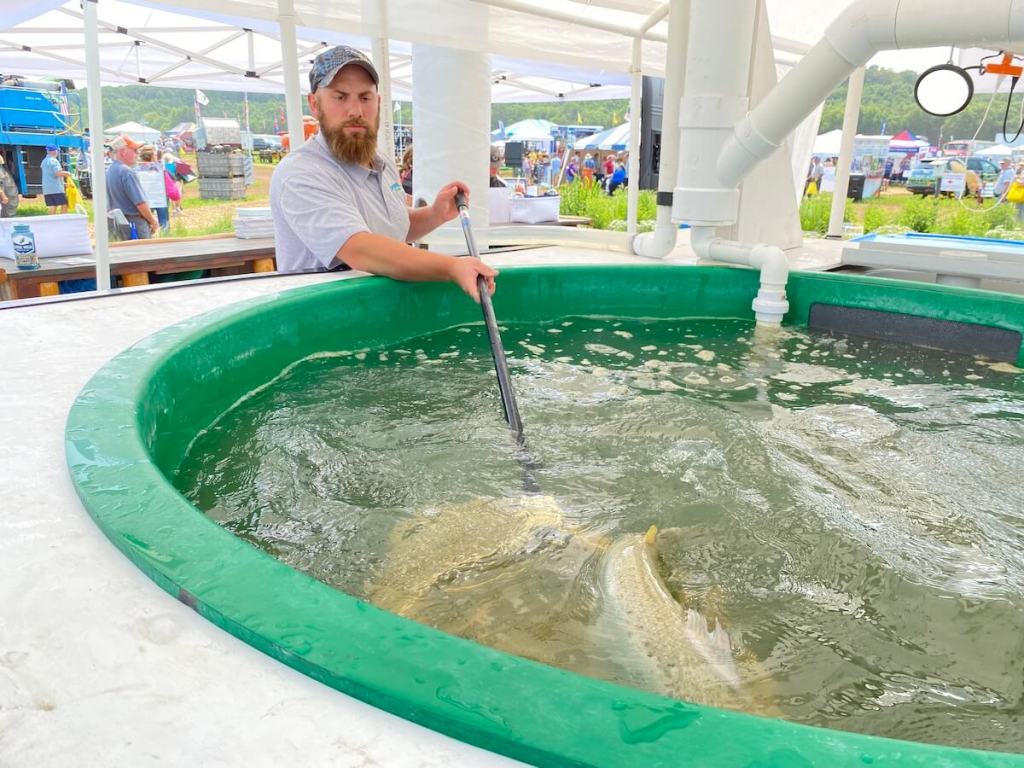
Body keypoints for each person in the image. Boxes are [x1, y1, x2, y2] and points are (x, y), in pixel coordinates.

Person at [270, 45, 496, 302]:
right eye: (340, 97)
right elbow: (360, 249)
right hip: (320, 318)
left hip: (378, 312)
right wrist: (452, 267)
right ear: (314, 104)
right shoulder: (301, 173)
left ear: (378, 103)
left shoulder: (382, 163)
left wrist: (435, 214)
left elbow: (391, 228)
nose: (355, 111)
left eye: (365, 97)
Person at [105, 134, 159, 240]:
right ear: (123, 151)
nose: (137, 153)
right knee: (142, 250)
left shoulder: (109, 170)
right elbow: (140, 203)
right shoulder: (127, 172)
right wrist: (152, 221)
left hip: (116, 224)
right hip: (134, 224)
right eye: (134, 150)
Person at [135, 145, 170, 231]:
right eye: (155, 154)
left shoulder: (138, 168)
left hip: (147, 197)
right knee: (163, 220)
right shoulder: (158, 167)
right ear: (150, 156)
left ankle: (147, 233)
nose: (156, 156)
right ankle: (164, 233)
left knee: (147, 219)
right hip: (158, 196)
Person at [41, 144, 71, 214]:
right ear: (55, 151)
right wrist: (67, 173)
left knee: (52, 206)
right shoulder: (54, 161)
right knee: (64, 204)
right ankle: (63, 219)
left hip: (47, 189)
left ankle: (51, 220)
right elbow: (57, 173)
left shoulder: (44, 161)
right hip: (56, 189)